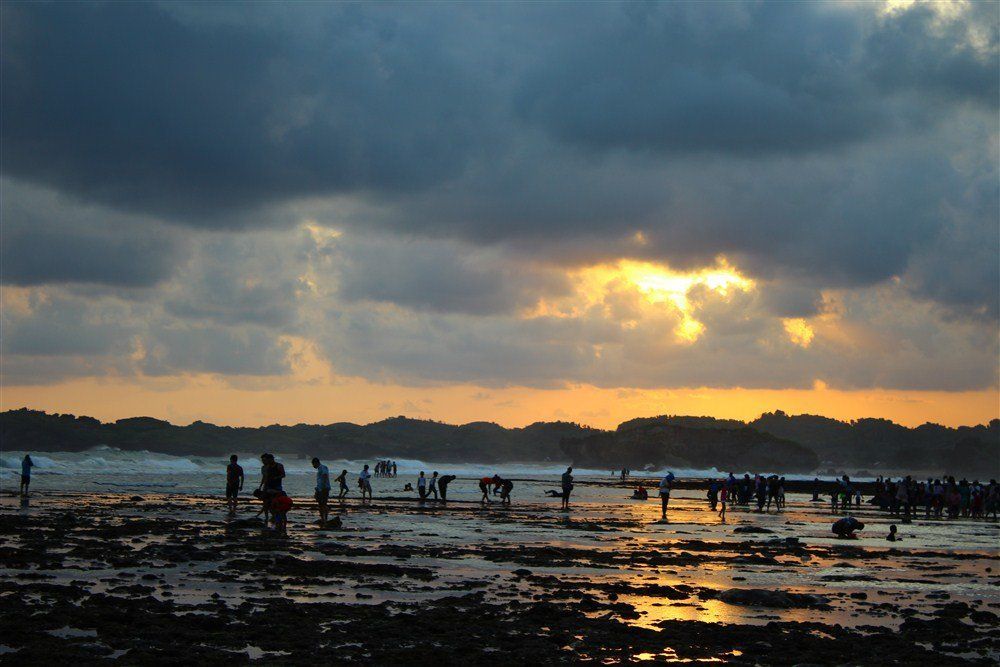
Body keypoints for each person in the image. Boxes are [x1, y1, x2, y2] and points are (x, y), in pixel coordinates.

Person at [312, 458, 331, 525]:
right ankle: (323, 518)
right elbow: (320, 479)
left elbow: (325, 476)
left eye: (313, 464)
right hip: (320, 488)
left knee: (323, 504)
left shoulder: (323, 467)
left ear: (316, 462)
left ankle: (325, 518)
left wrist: (323, 486)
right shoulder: (320, 469)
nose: (313, 466)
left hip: (324, 488)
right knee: (320, 504)